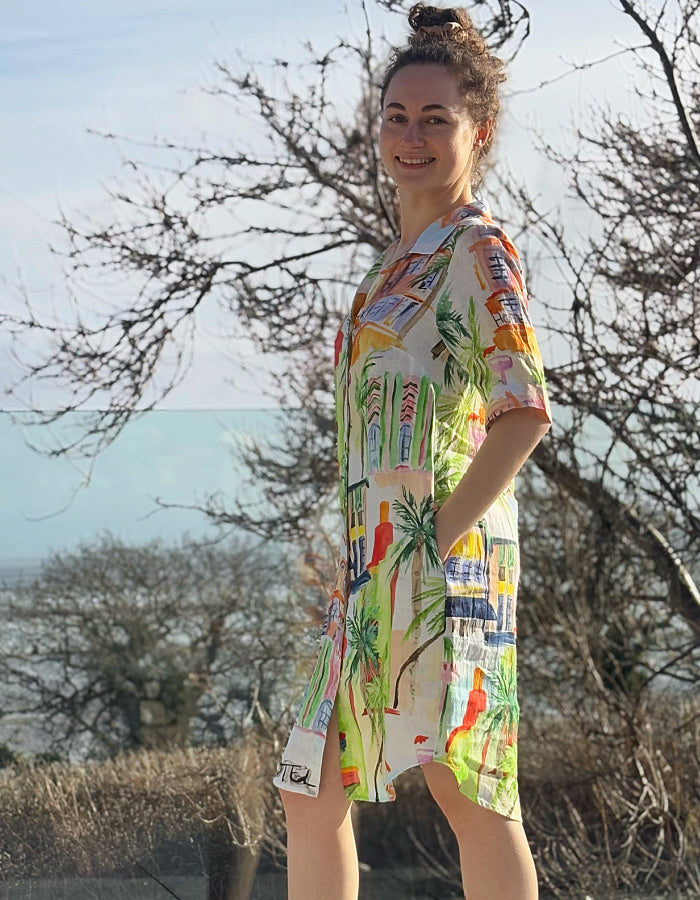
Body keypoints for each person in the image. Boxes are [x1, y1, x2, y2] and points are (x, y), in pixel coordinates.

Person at [274, 5, 552, 898]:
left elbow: (524, 411)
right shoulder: (384, 271)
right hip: (369, 570)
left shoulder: (479, 253)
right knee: (309, 784)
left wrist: (436, 538)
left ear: (480, 131)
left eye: (436, 118)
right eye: (397, 116)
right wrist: (358, 557)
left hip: (445, 563)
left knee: (467, 786)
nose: (412, 136)